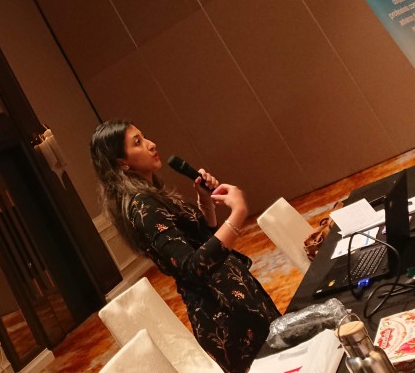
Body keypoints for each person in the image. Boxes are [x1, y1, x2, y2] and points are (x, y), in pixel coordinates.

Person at [90, 119, 280, 372]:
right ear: (122, 163)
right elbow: (193, 267)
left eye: (144, 137)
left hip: (233, 297)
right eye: (138, 142)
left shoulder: (152, 195)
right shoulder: (143, 206)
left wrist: (205, 201)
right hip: (224, 313)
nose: (151, 144)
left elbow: (202, 242)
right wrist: (238, 213)